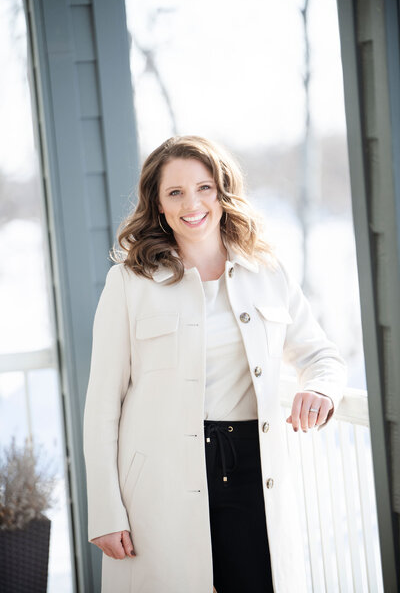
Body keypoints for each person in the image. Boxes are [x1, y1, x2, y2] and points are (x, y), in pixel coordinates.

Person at [83, 135, 347, 593]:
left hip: (251, 466)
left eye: (204, 187)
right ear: (158, 205)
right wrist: (106, 510)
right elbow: (103, 402)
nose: (193, 203)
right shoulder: (130, 282)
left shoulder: (267, 270)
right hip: (161, 479)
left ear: (223, 193)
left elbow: (319, 353)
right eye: (175, 192)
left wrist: (321, 388)